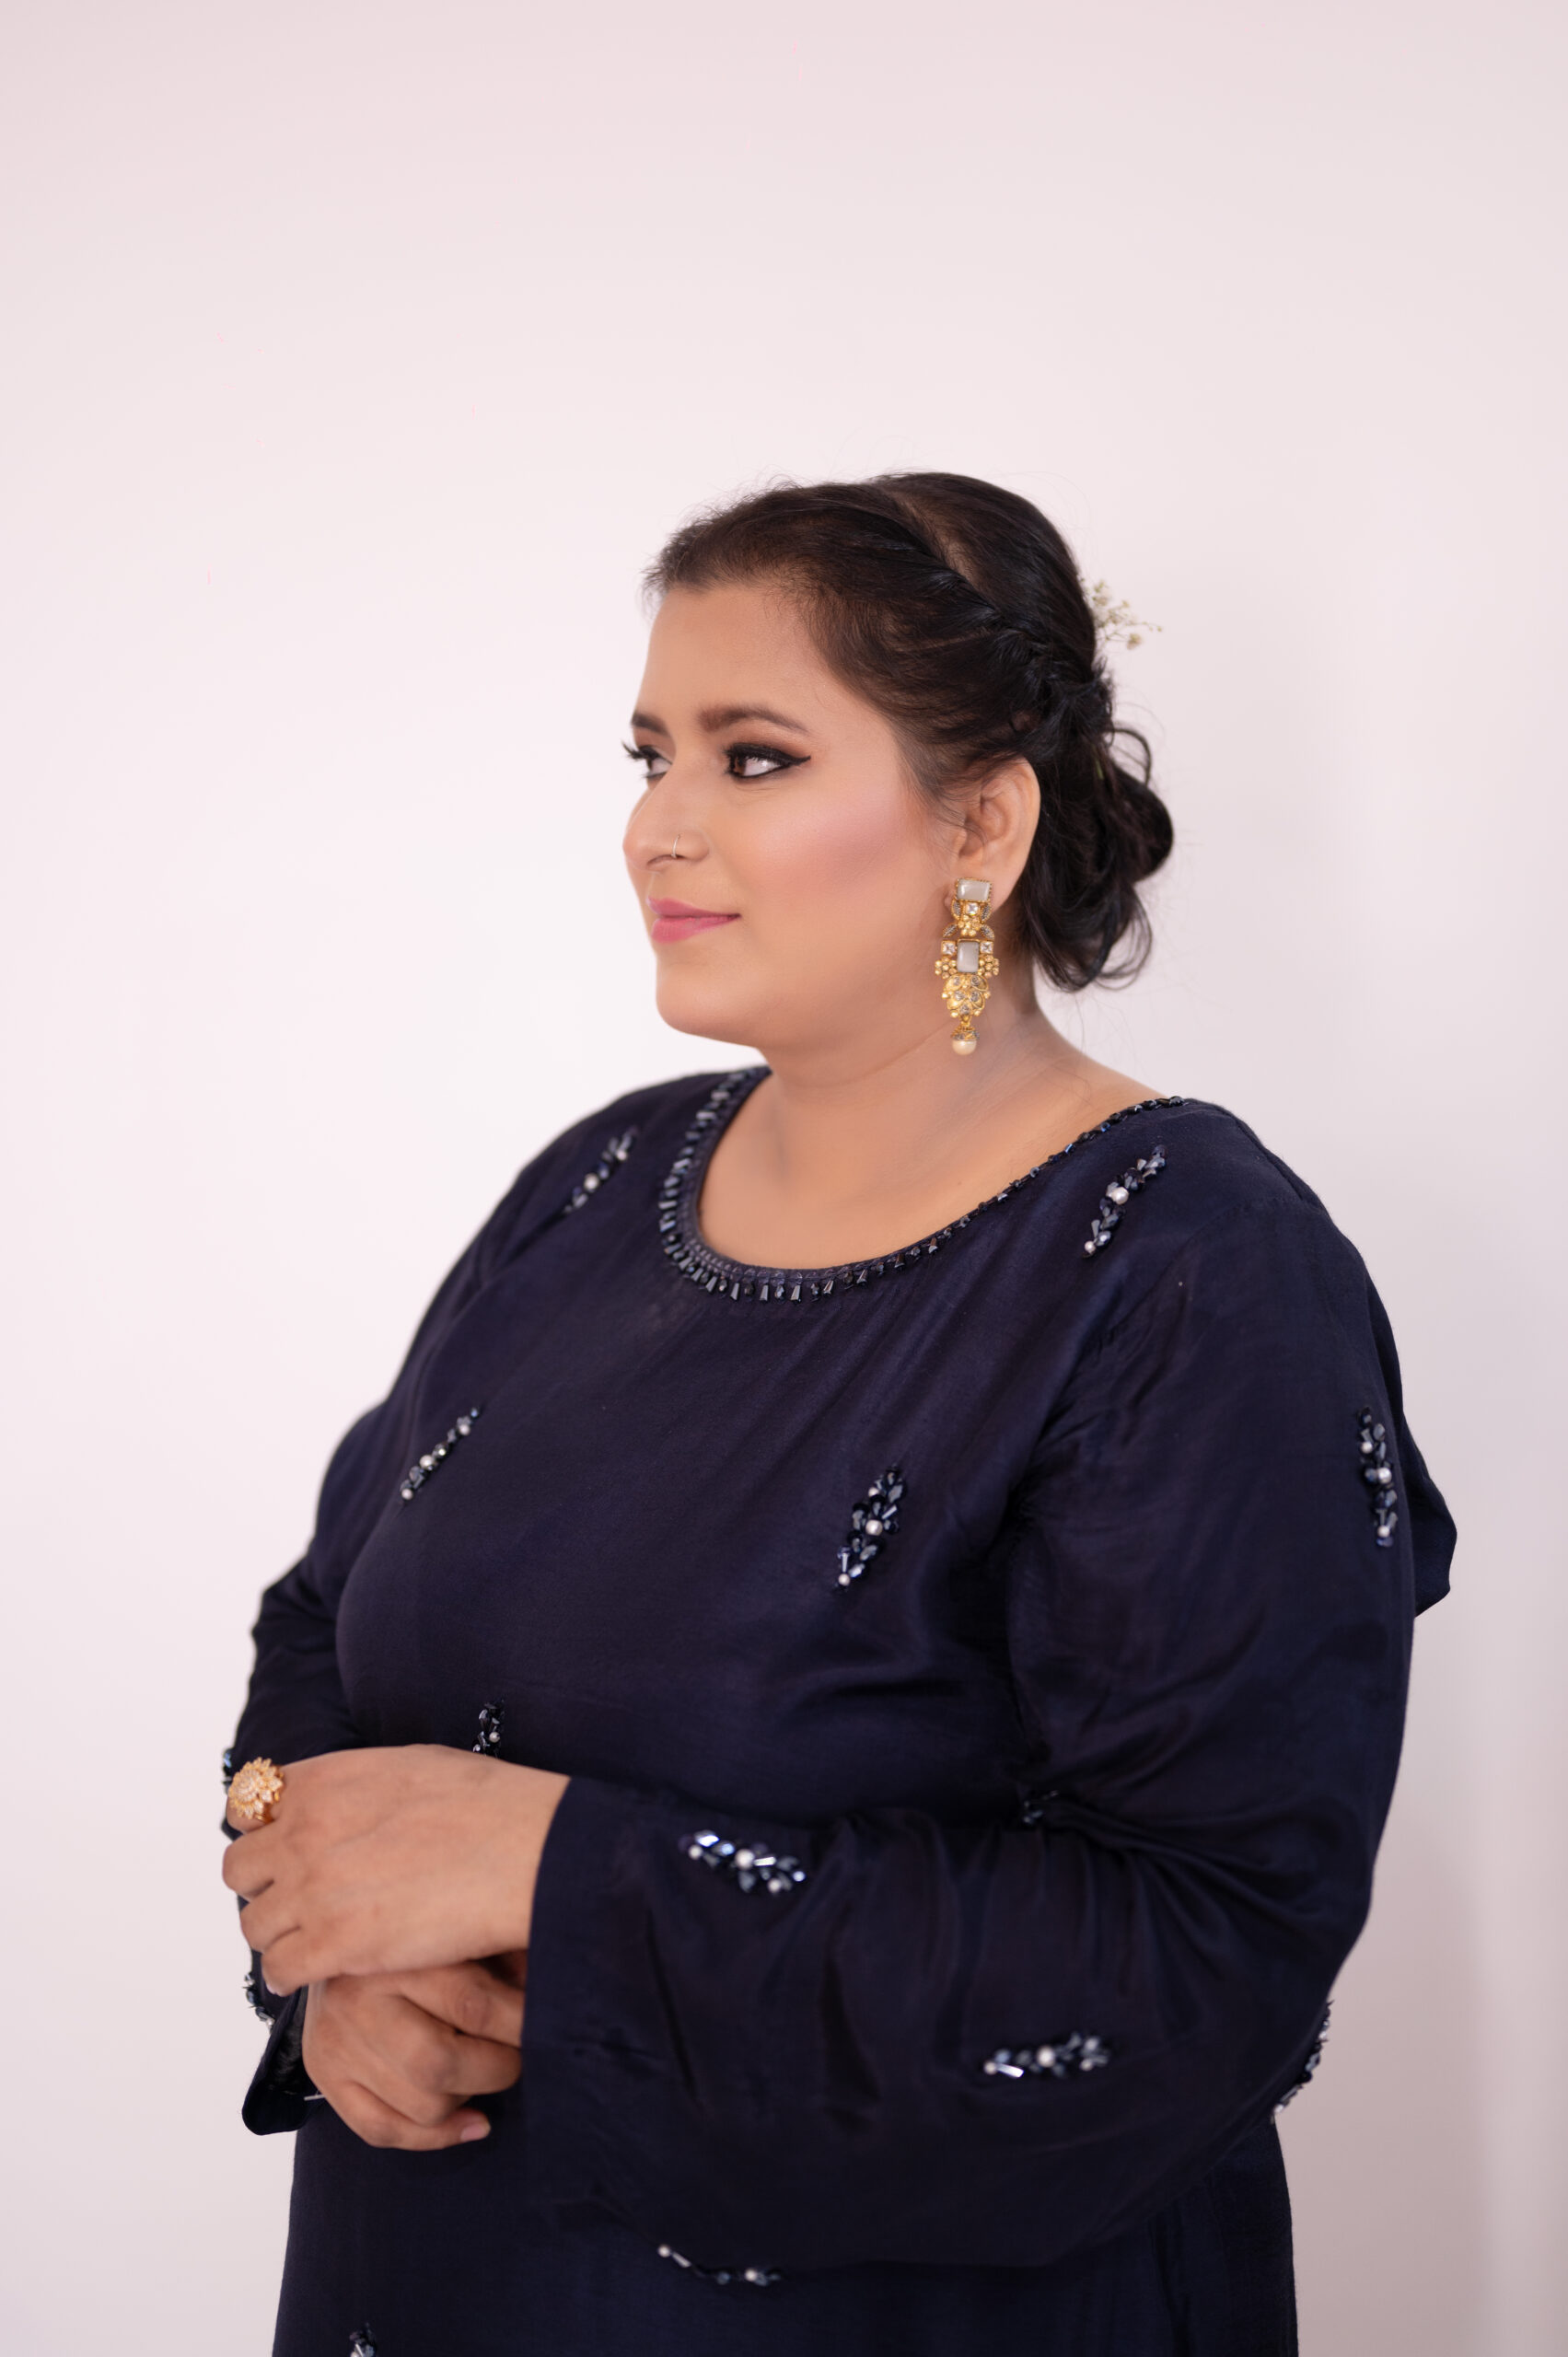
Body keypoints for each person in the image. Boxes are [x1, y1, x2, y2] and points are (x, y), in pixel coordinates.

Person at [222, 472, 1453, 2357]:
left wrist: (554, 1870)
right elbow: (325, 1622)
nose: (658, 825)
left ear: (982, 822)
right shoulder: (596, 1190)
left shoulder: (1186, 1271)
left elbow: (1203, 1961)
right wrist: (330, 1966)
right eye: (651, 754)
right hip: (434, 2272)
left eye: (756, 757)